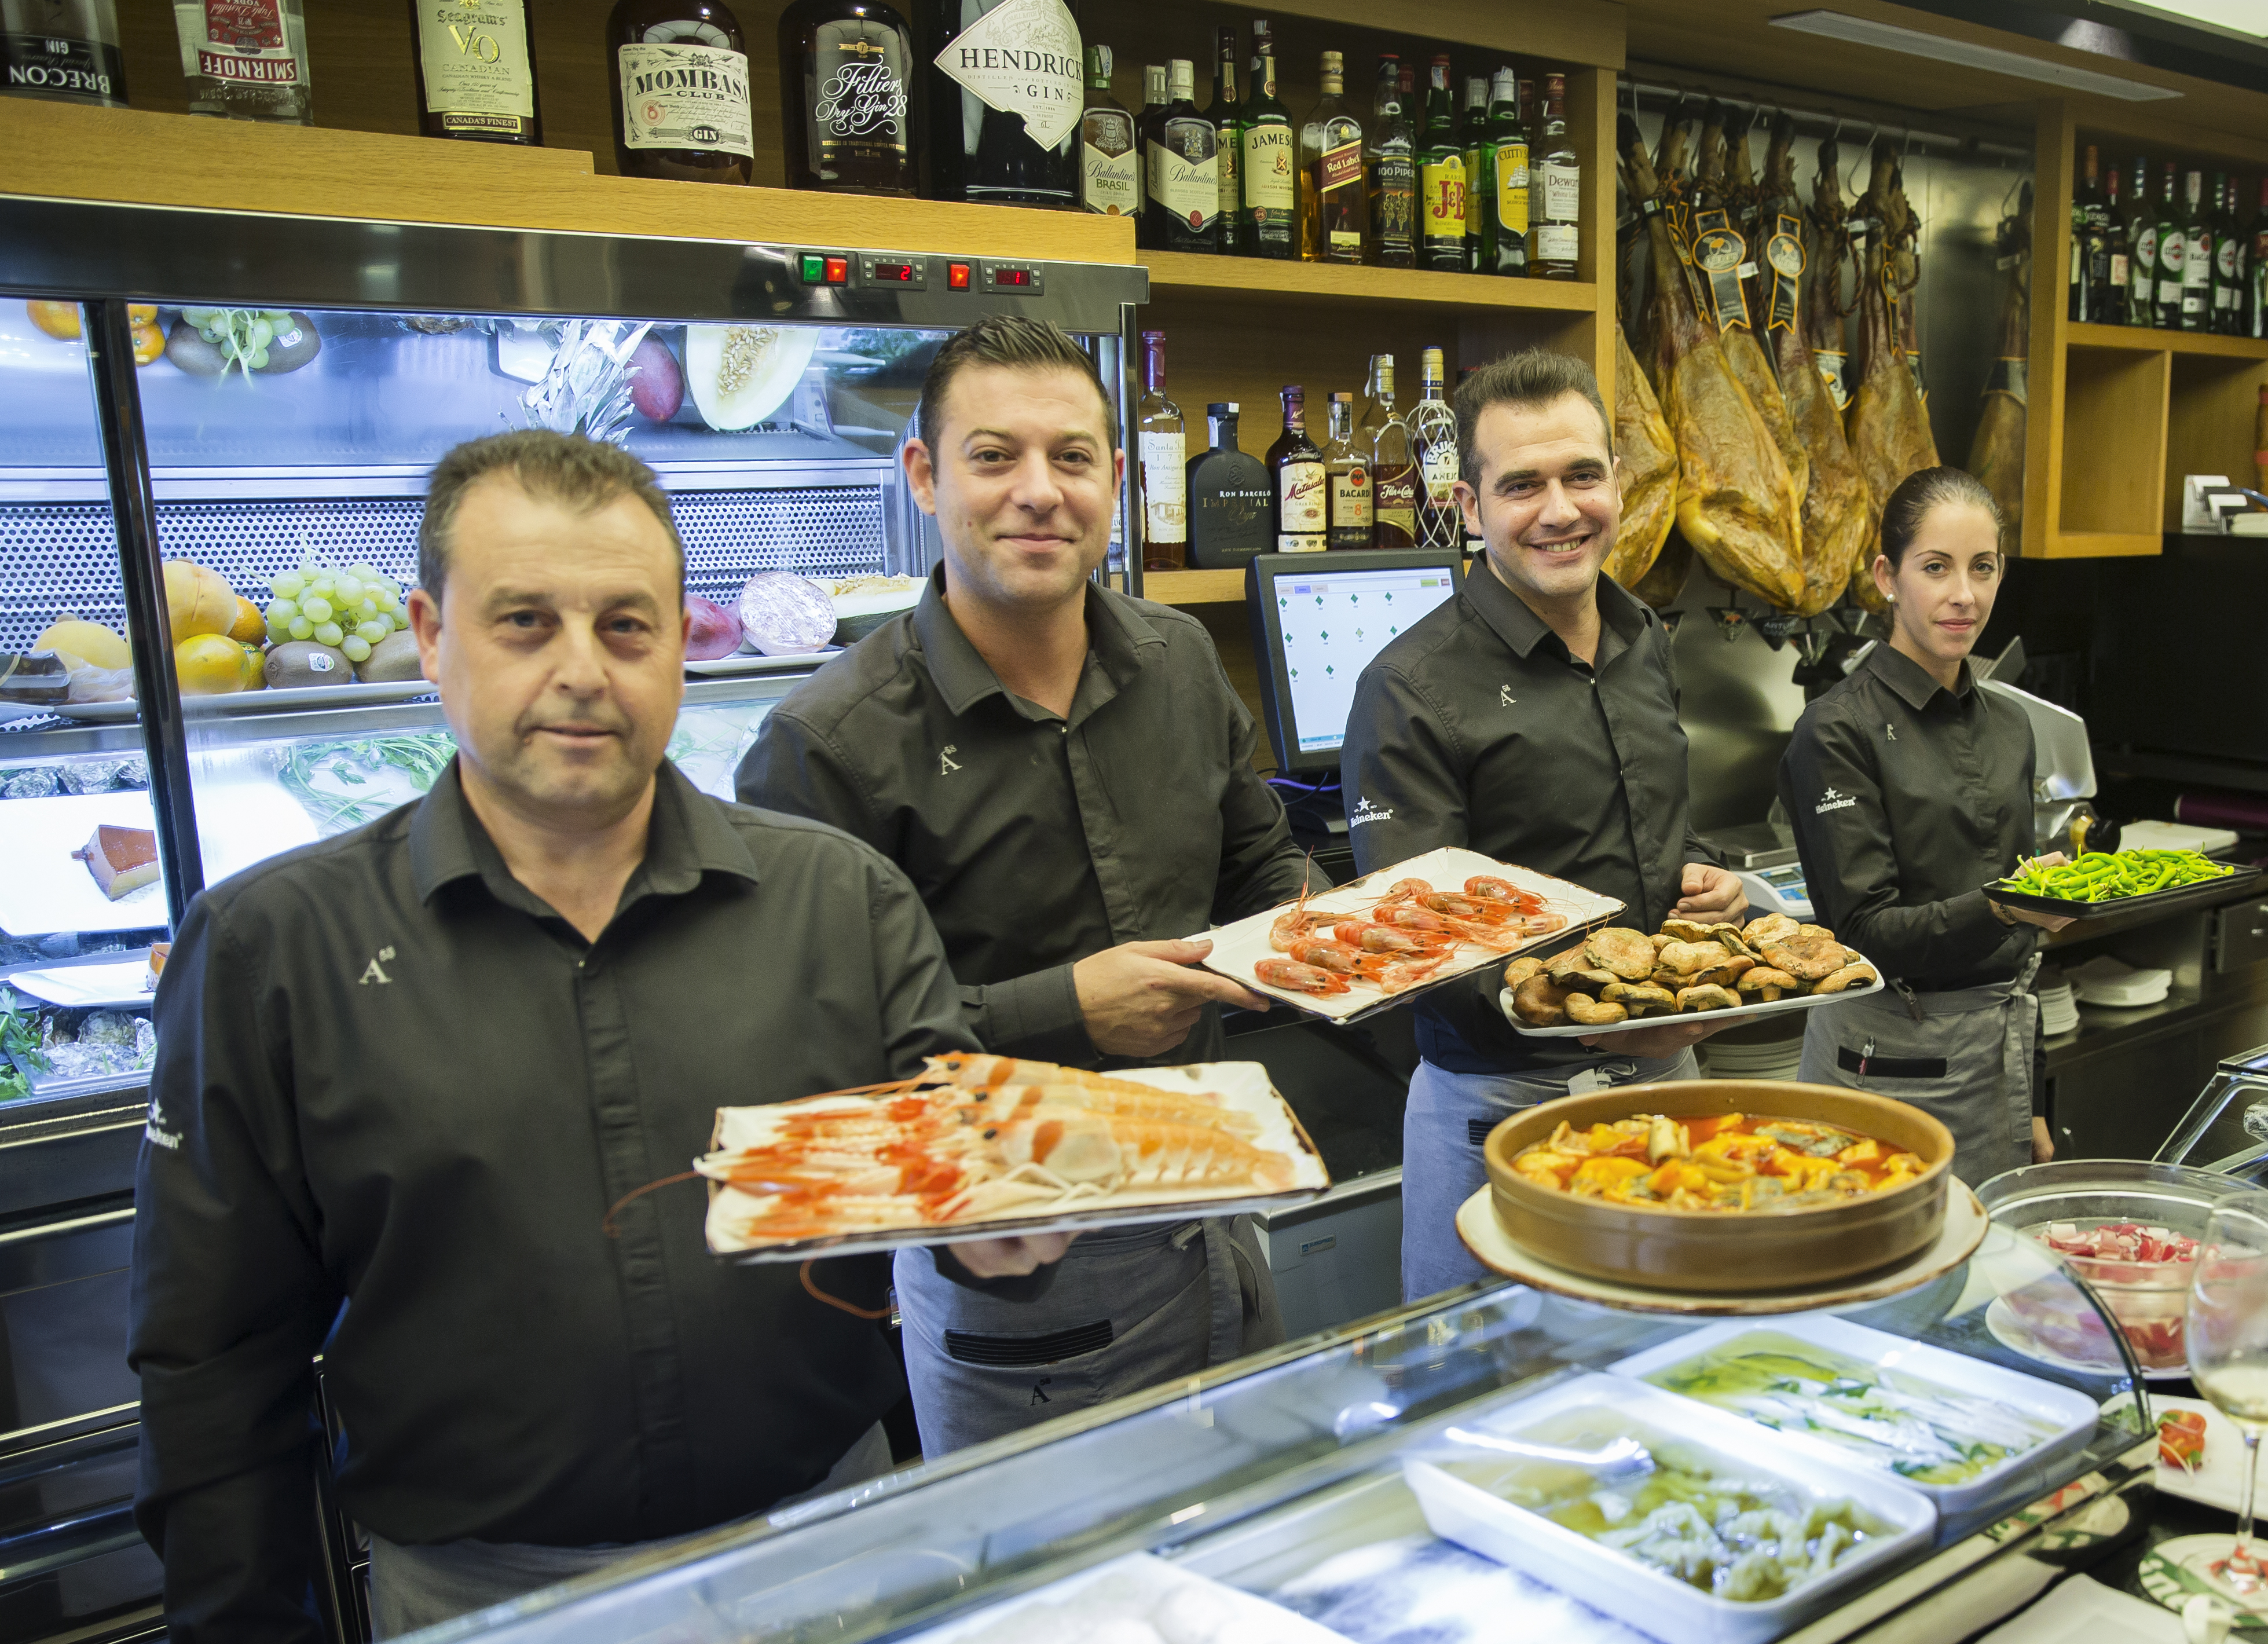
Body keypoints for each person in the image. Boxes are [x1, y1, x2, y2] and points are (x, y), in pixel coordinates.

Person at [130, 431, 1065, 1644]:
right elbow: (213, 1366)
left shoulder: (839, 897)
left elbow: (959, 1162)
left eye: (626, 628)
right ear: (430, 634)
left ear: (680, 641)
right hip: (481, 1619)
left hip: (831, 1560)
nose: (582, 673)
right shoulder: (270, 949)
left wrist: (999, 1231)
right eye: (524, 622)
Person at [738, 317, 1314, 1457]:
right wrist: (1066, 1010)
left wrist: (1316, 918)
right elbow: (806, 1074)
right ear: (924, 476)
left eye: (1073, 457)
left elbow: (1257, 857)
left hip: (1215, 1200)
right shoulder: (829, 745)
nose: (1039, 492)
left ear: (1115, 476)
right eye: (995, 456)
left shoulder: (1179, 659)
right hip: (1014, 1266)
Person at [1340, 348, 1745, 1298]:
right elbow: (1416, 948)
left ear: (1617, 483)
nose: (1560, 510)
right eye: (1522, 485)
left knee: (1671, 1369)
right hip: (1503, 1108)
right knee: (1488, 1403)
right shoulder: (1409, 687)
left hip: (1665, 1081)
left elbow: (1630, 829)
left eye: (1582, 476)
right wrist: (1608, 1032)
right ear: (1472, 508)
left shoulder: (1643, 637)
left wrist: (1699, 880)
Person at [1778, 466, 2067, 1177]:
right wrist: (2003, 908)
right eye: (1935, 568)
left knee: (1987, 1270)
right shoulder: (1835, 731)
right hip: (1883, 1058)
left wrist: (2031, 1097)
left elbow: (2022, 957)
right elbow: (1864, 932)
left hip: (1998, 1056)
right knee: (1880, 1275)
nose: (1963, 595)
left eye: (1983, 568)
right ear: (1887, 576)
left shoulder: (2012, 725)